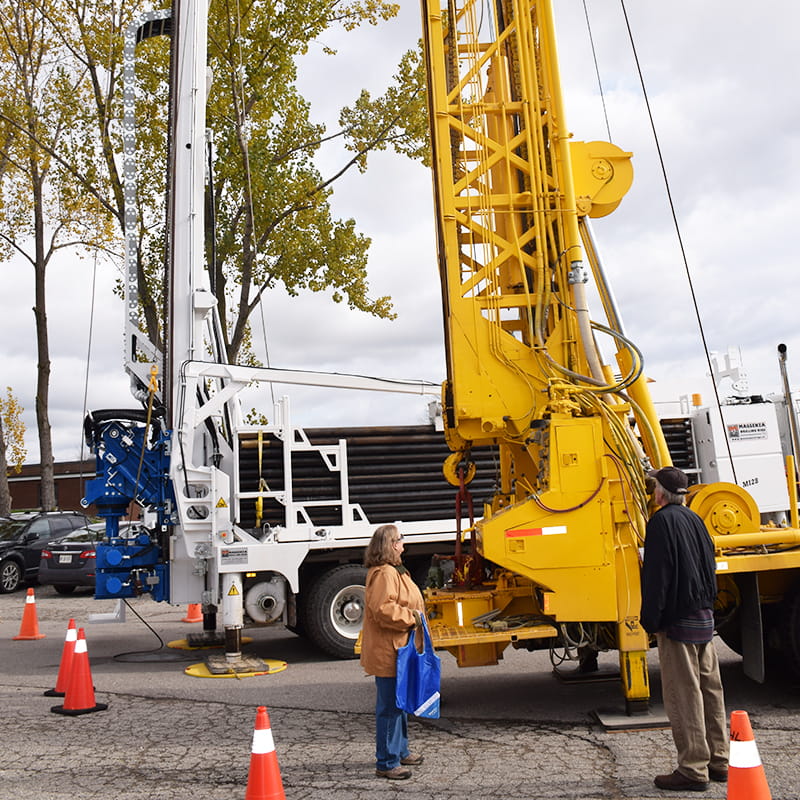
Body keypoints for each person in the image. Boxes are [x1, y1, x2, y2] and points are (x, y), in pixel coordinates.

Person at [640, 466, 729, 792]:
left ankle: (692, 769)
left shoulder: (661, 523)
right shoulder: (696, 520)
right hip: (703, 616)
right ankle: (719, 760)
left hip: (677, 622)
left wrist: (651, 620)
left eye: (654, 489)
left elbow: (657, 577)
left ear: (660, 493)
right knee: (710, 690)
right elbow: (711, 565)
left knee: (685, 693)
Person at [360, 523, 426, 780]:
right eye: (399, 540)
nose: (403, 544)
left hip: (399, 649)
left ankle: (400, 751)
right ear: (389, 545)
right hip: (390, 651)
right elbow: (382, 609)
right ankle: (387, 762)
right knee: (389, 707)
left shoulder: (395, 571)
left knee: (399, 703)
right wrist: (412, 618)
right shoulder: (386, 574)